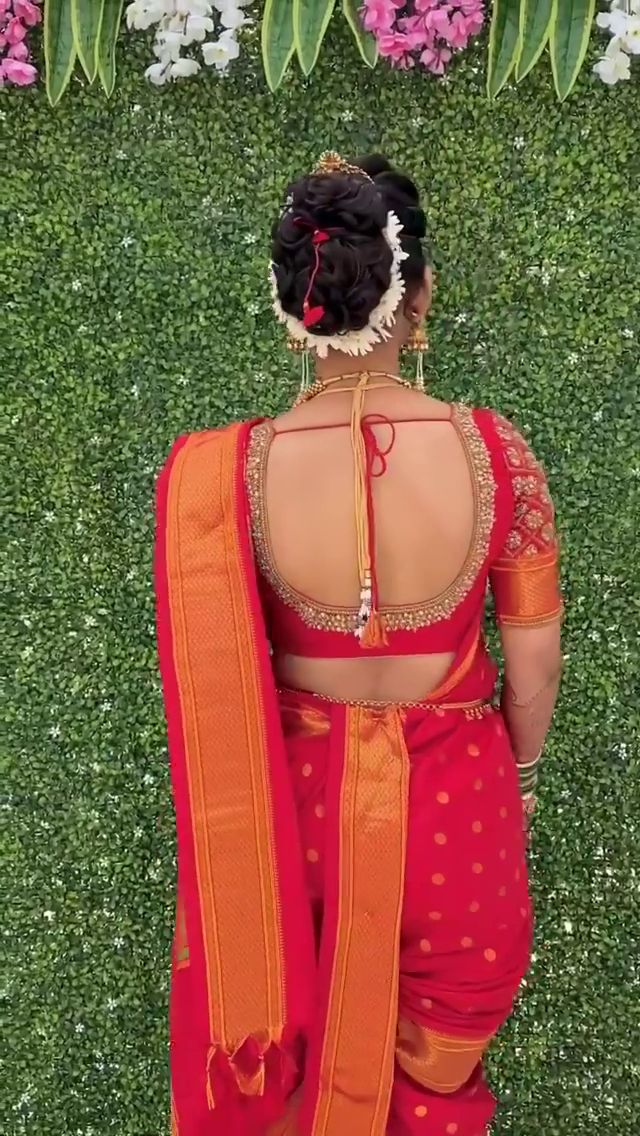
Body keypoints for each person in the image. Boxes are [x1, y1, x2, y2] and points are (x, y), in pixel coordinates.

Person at [154, 152, 564, 1136]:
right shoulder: (495, 450)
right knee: (433, 1085)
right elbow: (534, 655)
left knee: (286, 1084)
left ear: (292, 300)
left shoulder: (230, 472)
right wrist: (523, 761)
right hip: (457, 824)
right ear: (417, 290)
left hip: (283, 839)